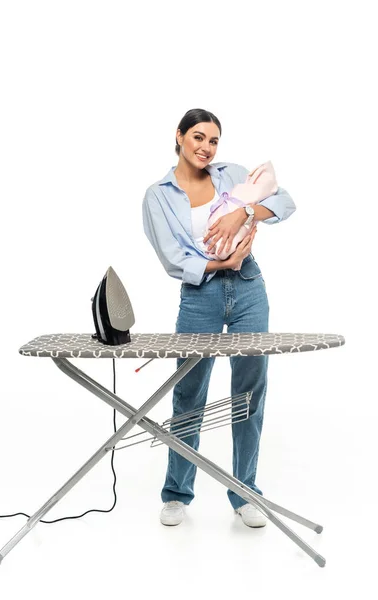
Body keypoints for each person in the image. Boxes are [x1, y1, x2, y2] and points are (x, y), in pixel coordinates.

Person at [142, 108, 296, 528]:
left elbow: (283, 201)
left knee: (250, 390)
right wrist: (219, 262)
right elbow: (173, 260)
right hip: (200, 297)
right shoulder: (158, 195)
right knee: (189, 391)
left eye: (213, 141)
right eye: (197, 137)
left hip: (248, 288)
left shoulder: (233, 175)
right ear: (179, 136)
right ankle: (177, 493)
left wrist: (242, 214)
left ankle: (244, 493)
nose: (205, 148)